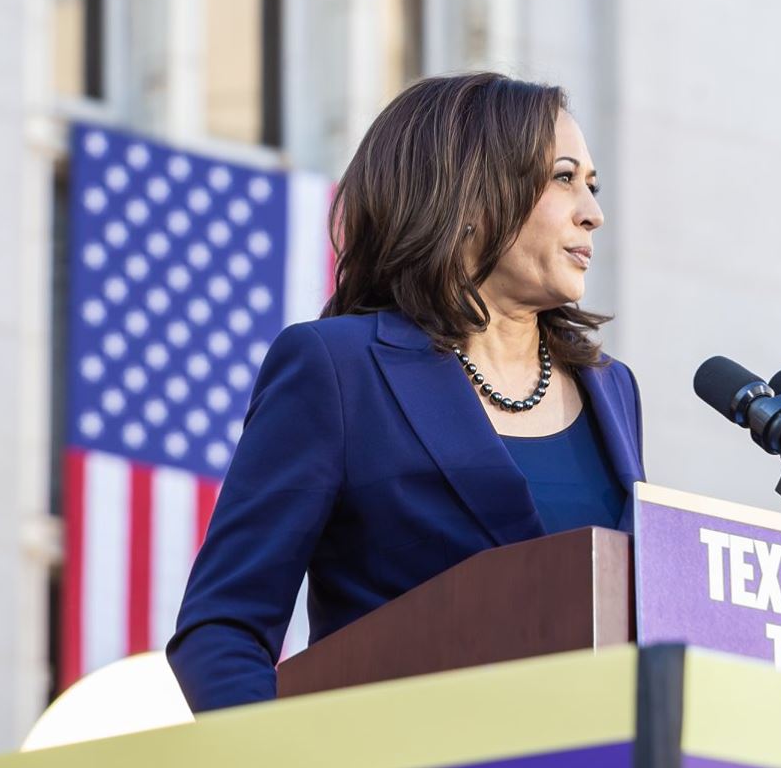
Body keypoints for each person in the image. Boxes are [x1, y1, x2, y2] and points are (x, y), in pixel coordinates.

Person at [166, 73, 643, 711]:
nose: (593, 212)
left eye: (592, 185)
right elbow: (222, 630)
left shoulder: (614, 389)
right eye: (563, 178)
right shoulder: (338, 370)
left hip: (596, 763)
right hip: (400, 767)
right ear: (469, 192)